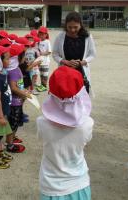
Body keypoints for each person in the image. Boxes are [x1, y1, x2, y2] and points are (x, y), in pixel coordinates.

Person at [37, 66, 94, 200]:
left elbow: (41, 138)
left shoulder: (42, 123)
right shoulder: (87, 124)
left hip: (50, 186)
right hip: (79, 183)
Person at [52, 11, 96, 94]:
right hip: (65, 72)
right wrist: (65, 61)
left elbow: (92, 54)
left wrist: (83, 62)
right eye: (69, 27)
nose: (72, 30)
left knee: (81, 97)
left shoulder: (87, 36)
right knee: (66, 96)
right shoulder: (60, 36)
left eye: (76, 27)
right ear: (66, 26)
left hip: (81, 72)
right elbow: (55, 54)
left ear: (80, 24)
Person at [6, 43, 31, 152]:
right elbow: (13, 88)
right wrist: (23, 94)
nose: (25, 58)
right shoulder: (13, 71)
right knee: (12, 125)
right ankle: (10, 145)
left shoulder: (15, 68)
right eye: (24, 56)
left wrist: (24, 91)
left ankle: (11, 140)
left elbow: (18, 86)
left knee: (15, 123)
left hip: (18, 101)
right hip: (14, 103)